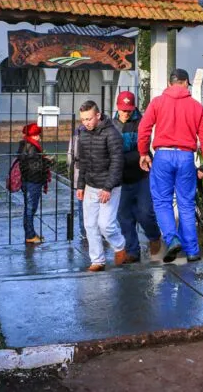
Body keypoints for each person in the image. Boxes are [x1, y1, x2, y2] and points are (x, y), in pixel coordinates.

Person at [138, 69, 203, 263]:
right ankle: (192, 251)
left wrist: (143, 153)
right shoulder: (196, 107)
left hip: (162, 156)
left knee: (162, 202)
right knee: (186, 204)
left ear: (169, 83)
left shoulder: (157, 103)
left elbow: (144, 128)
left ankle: (171, 240)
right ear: (186, 82)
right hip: (186, 157)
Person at [111, 90, 163, 263]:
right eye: (122, 109)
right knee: (124, 216)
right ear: (117, 107)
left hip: (142, 175)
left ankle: (154, 237)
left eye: (128, 110)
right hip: (121, 179)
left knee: (145, 213)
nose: (125, 113)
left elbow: (144, 146)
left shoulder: (142, 123)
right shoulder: (111, 125)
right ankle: (132, 251)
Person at [76, 100, 127, 271]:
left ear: (98, 115)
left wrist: (108, 187)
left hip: (109, 187)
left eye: (89, 119)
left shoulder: (112, 134)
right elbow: (81, 161)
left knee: (106, 225)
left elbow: (117, 163)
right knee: (90, 225)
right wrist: (80, 186)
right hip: (90, 185)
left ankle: (119, 246)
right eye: (83, 119)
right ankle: (97, 260)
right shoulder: (82, 133)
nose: (86, 122)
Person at [17, 122, 52, 244]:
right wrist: (47, 162)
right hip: (33, 182)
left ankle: (30, 233)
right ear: (33, 135)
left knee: (28, 208)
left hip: (27, 181)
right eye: (37, 134)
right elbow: (35, 167)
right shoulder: (32, 147)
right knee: (31, 209)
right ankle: (30, 235)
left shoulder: (25, 144)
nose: (39, 137)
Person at [67, 124, 87, 241]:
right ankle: (98, 231)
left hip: (78, 172)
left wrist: (70, 173)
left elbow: (70, 156)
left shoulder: (77, 133)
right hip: (94, 172)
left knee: (82, 205)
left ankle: (84, 232)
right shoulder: (100, 130)